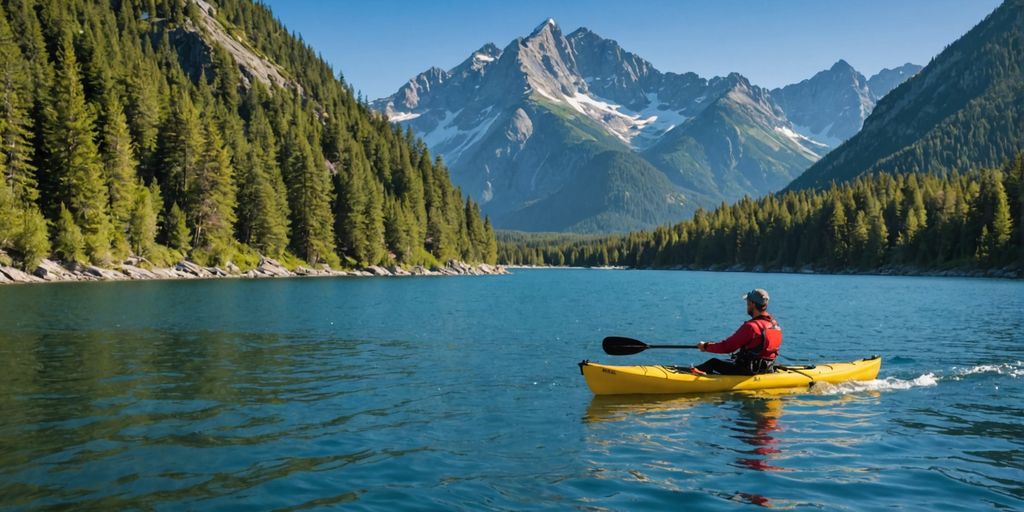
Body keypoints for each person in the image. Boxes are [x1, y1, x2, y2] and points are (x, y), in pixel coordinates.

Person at [691, 289, 782, 375]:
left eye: (747, 302)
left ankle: (689, 375)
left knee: (713, 363)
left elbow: (727, 347)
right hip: (766, 368)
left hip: (748, 370)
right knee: (729, 361)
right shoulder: (775, 325)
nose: (746, 305)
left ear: (752, 304)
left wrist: (706, 346)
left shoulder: (751, 327)